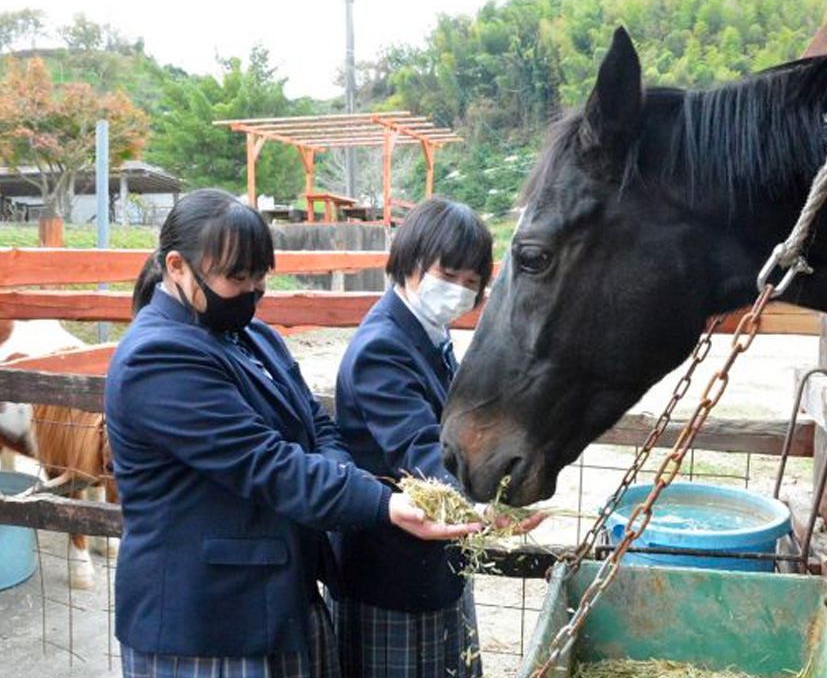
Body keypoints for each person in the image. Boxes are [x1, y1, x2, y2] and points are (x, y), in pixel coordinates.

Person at [104, 189, 478, 678]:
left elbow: (318, 424)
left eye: (260, 277)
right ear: (177, 266)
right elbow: (268, 465)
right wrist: (383, 503)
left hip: (282, 602)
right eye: (237, 277)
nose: (253, 291)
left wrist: (334, 470)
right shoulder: (157, 358)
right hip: (209, 622)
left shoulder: (254, 337)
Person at [331, 198, 542, 678]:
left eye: (471, 283)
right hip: (390, 573)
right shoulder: (383, 346)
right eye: (449, 275)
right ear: (410, 262)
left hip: (435, 561)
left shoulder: (429, 334)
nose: (458, 292)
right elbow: (419, 450)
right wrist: (486, 507)